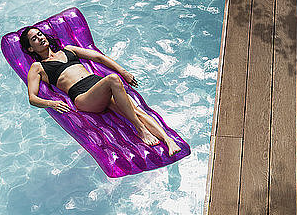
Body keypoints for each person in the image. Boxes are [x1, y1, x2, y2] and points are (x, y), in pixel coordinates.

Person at [20, 27, 181, 156]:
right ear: (30, 48)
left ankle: (168, 141)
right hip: (83, 97)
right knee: (113, 79)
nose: (40, 38)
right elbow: (32, 98)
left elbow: (99, 58)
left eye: (40, 34)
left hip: (99, 86)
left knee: (136, 111)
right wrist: (51, 103)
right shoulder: (38, 67)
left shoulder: (68, 50)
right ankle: (141, 130)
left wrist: (123, 71)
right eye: (34, 38)